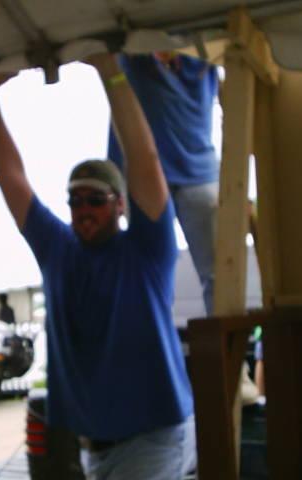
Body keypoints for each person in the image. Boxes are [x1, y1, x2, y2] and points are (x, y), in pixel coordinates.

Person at [0, 53, 196, 479]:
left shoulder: (147, 250)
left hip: (152, 439)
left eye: (96, 199)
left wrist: (109, 71)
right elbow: (10, 177)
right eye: (75, 200)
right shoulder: (57, 250)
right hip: (92, 448)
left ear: (120, 204)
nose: (83, 209)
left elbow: (145, 159)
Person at [108, 52, 219, 315]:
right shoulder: (135, 55)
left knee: (216, 275)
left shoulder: (203, 58)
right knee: (152, 273)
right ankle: (154, 332)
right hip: (158, 176)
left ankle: (226, 337)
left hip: (193, 176)